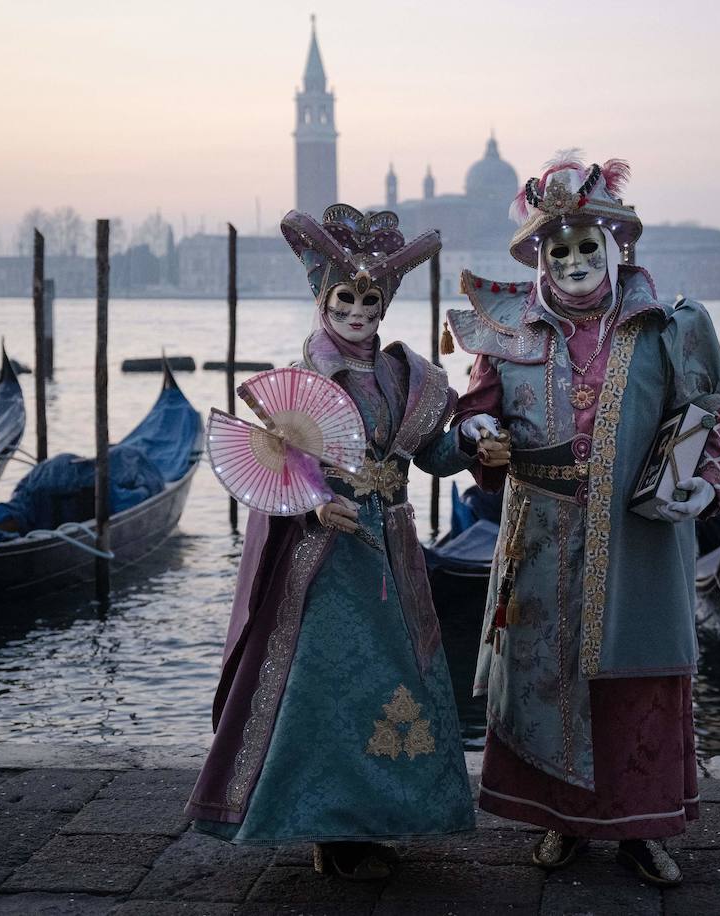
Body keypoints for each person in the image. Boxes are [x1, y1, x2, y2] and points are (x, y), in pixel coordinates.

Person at [187, 204, 509, 880]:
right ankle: (329, 833)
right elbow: (272, 475)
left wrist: (475, 442)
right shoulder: (301, 381)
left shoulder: (405, 378)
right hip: (324, 566)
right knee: (326, 693)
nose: (359, 310)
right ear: (324, 301)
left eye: (370, 297)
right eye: (346, 297)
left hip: (392, 553)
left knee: (395, 685)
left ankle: (381, 820)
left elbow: (433, 454)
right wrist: (314, 503)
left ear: (384, 302)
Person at [446, 152, 720, 886]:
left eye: (585, 247)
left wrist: (703, 481)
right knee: (547, 679)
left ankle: (641, 831)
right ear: (542, 258)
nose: (574, 261)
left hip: (638, 538)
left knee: (631, 681)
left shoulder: (665, 329)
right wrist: (478, 436)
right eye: (560, 249)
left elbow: (709, 417)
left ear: (613, 250)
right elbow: (476, 411)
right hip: (539, 537)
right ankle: (561, 825)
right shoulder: (507, 331)